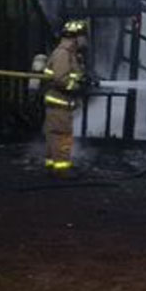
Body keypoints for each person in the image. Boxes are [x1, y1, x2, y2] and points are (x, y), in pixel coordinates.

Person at [42, 19, 92, 175]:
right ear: (76, 37)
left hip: (60, 103)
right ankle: (62, 170)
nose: (86, 41)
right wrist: (78, 86)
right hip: (59, 102)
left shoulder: (69, 53)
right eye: (84, 36)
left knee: (54, 136)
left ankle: (53, 166)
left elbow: (70, 75)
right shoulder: (63, 53)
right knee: (62, 136)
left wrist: (82, 78)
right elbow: (61, 79)